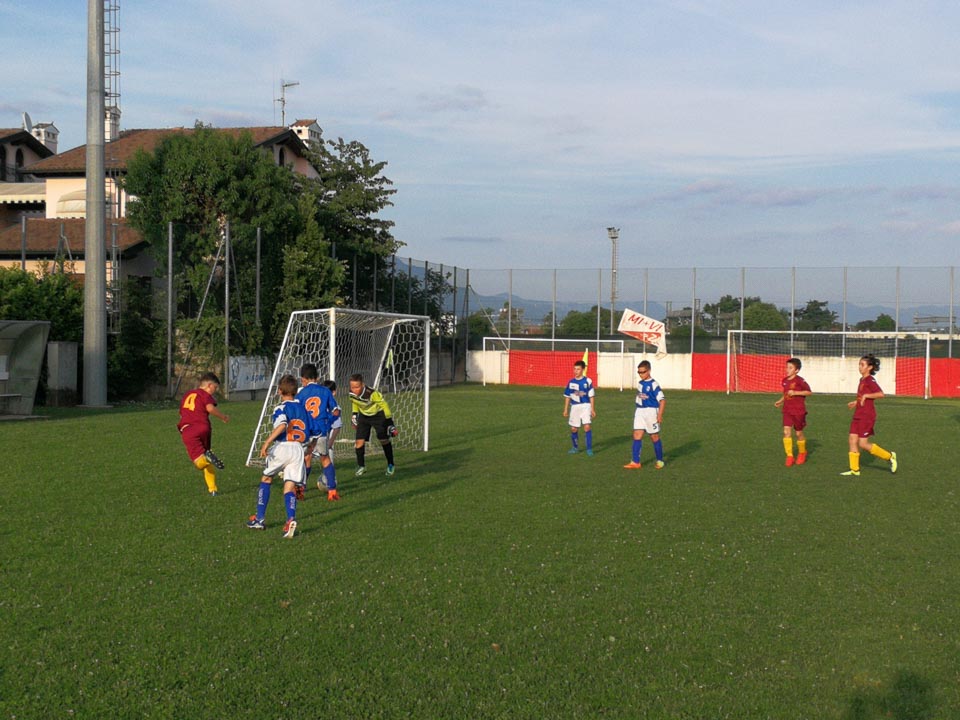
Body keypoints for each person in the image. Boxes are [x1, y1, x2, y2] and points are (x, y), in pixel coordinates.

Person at [247, 374, 310, 538]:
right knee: (289, 486)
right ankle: (290, 520)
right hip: (298, 449)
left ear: (280, 391)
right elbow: (311, 433)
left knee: (266, 478)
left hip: (283, 446)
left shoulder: (280, 408)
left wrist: (267, 442)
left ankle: (259, 519)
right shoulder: (303, 408)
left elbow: (282, 425)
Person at [842, 354, 898, 476]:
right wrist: (856, 402)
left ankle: (889, 457)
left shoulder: (870, 380)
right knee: (852, 440)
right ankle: (854, 470)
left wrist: (867, 396)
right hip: (858, 414)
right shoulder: (862, 380)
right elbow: (862, 397)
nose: (860, 367)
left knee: (863, 444)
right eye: (859, 364)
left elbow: (881, 394)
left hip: (867, 415)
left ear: (870, 367)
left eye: (862, 365)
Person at [177, 371, 230, 496]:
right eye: (215, 387)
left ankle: (207, 458)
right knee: (206, 455)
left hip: (189, 430)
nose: (215, 390)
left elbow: (184, 412)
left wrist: (222, 417)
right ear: (209, 385)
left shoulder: (188, 394)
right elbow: (209, 407)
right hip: (205, 428)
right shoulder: (205, 395)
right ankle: (213, 489)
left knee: (199, 463)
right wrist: (223, 417)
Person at [297, 364, 341, 501]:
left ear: (303, 379)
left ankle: (301, 489)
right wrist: (328, 421)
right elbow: (336, 411)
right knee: (325, 458)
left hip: (307, 431)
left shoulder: (300, 394)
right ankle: (332, 491)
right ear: (317, 377)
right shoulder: (325, 391)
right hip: (321, 430)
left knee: (306, 458)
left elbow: (297, 413)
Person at [349, 373, 398, 476]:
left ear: (362, 385)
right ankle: (361, 466)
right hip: (364, 416)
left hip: (378, 415)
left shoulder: (372, 393)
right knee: (359, 442)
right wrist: (354, 415)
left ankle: (390, 464)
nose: (354, 389)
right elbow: (355, 402)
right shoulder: (351, 392)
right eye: (352, 387)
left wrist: (390, 423)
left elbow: (384, 405)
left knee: (383, 440)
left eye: (357, 387)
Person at [624, 360, 665, 470]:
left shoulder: (654, 384)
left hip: (651, 412)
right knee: (637, 434)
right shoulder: (640, 383)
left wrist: (659, 415)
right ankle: (635, 462)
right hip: (640, 411)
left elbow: (662, 400)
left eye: (643, 372)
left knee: (654, 436)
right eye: (639, 372)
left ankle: (660, 460)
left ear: (649, 371)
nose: (641, 374)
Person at [774, 358, 812, 467]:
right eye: (787, 367)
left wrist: (795, 392)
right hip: (787, 410)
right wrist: (780, 401)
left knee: (798, 433)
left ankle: (802, 452)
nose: (787, 369)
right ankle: (789, 456)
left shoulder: (800, 381)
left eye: (790, 368)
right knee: (786, 432)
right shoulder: (785, 380)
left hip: (798, 411)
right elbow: (786, 394)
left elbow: (809, 392)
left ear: (797, 370)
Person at [562, 359, 595, 456]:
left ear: (583, 370)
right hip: (575, 407)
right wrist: (565, 409)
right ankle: (575, 448)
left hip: (586, 406)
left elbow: (591, 396)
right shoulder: (571, 382)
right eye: (574, 369)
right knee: (573, 429)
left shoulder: (588, 381)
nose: (575, 371)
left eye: (578, 369)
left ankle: (589, 449)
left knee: (587, 427)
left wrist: (592, 409)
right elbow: (567, 396)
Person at [323, 379, 343, 463]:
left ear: (333, 393)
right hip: (319, 435)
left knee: (326, 458)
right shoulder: (320, 404)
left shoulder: (335, 408)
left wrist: (330, 442)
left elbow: (337, 426)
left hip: (326, 438)